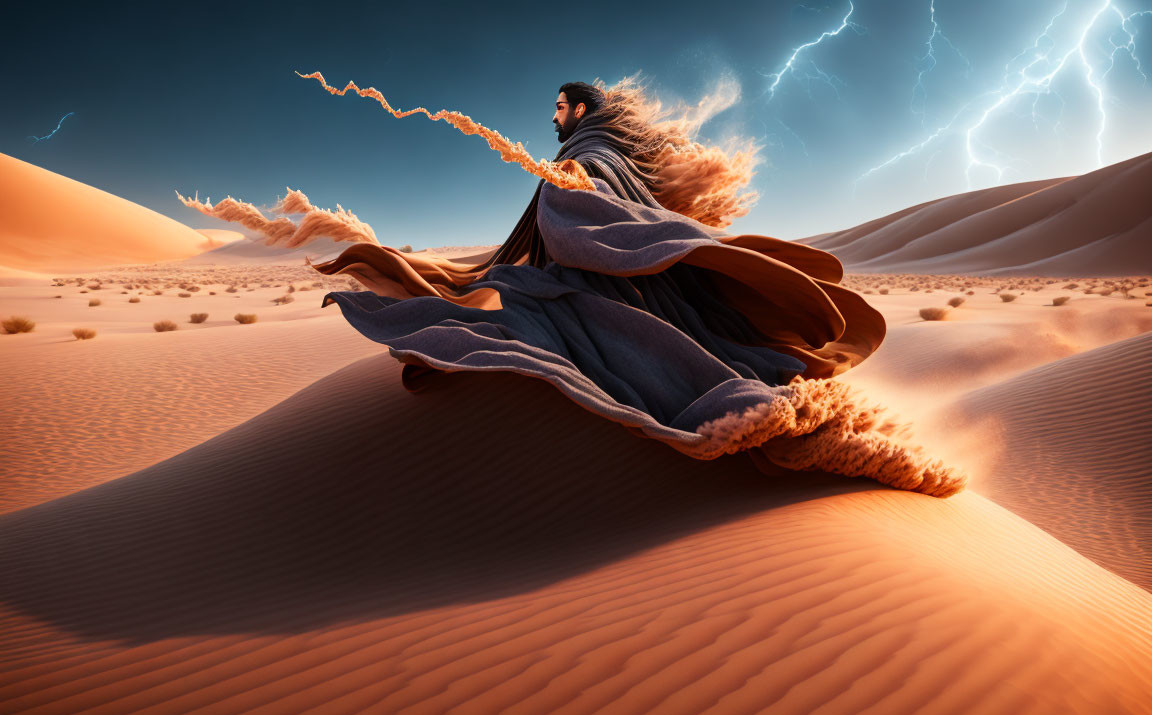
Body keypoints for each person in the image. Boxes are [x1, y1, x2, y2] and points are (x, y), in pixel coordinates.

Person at [311, 77, 965, 497]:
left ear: (586, 109)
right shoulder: (608, 158)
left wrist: (590, 234)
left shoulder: (583, 163)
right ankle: (784, 414)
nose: (555, 118)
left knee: (622, 349)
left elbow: (572, 216)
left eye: (561, 107)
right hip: (627, 277)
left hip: (611, 284)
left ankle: (748, 415)